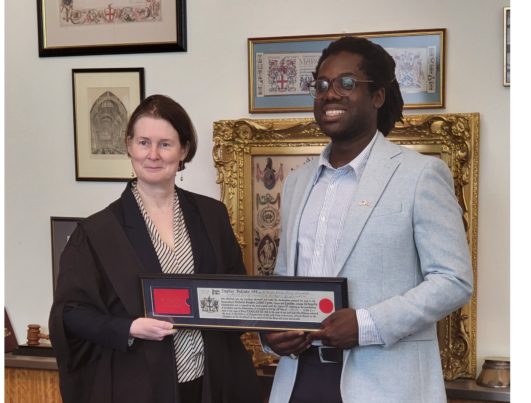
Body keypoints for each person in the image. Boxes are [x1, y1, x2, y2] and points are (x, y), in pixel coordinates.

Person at [260, 37, 473, 403]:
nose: (330, 94)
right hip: (299, 378)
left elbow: (453, 280)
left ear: (377, 96)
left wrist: (366, 325)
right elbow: (285, 281)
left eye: (346, 84)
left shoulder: (420, 174)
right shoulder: (296, 182)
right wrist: (273, 333)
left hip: (385, 384)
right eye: (322, 85)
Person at [49, 95, 263, 403]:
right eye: (143, 142)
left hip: (214, 382)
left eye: (165, 144)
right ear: (129, 146)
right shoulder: (97, 232)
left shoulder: (211, 215)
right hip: (137, 386)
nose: (153, 155)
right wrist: (129, 327)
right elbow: (69, 314)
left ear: (184, 150)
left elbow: (236, 288)